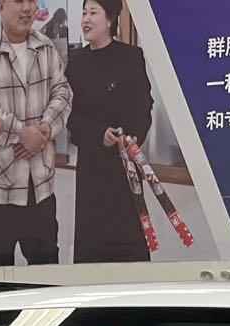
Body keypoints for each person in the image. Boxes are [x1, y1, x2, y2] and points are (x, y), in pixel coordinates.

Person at [0, 0, 73, 267]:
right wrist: (22, 135)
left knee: (46, 269)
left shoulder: (46, 48)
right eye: (19, 1)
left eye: (32, 1)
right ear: (1, 6)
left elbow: (63, 93)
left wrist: (45, 129)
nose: (27, 8)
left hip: (40, 186)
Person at [67, 0, 153, 263]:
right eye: (84, 13)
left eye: (93, 13)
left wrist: (133, 135)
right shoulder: (76, 63)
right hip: (92, 167)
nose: (86, 19)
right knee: (92, 241)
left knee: (129, 237)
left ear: (110, 19)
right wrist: (97, 134)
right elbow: (68, 114)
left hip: (125, 164)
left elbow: (144, 105)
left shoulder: (131, 57)